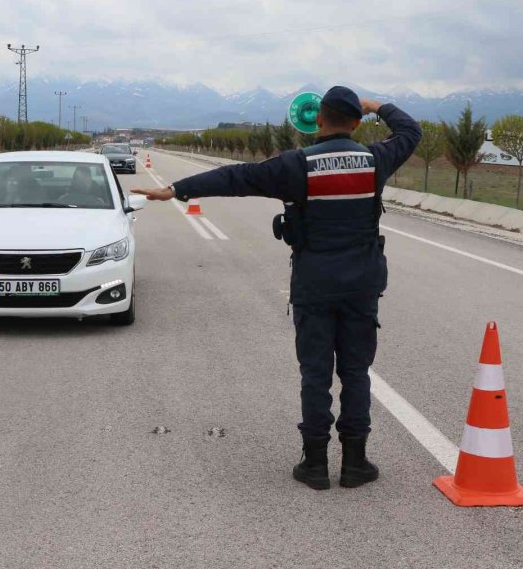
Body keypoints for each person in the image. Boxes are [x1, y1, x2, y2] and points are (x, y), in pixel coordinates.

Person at [132, 86, 422, 490]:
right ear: (357, 123)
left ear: (315, 119)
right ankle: (356, 463)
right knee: (356, 372)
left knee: (315, 374)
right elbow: (410, 131)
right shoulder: (376, 160)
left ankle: (315, 464)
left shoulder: (297, 165)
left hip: (313, 286)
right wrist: (378, 107)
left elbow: (235, 178)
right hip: (362, 287)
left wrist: (175, 190)